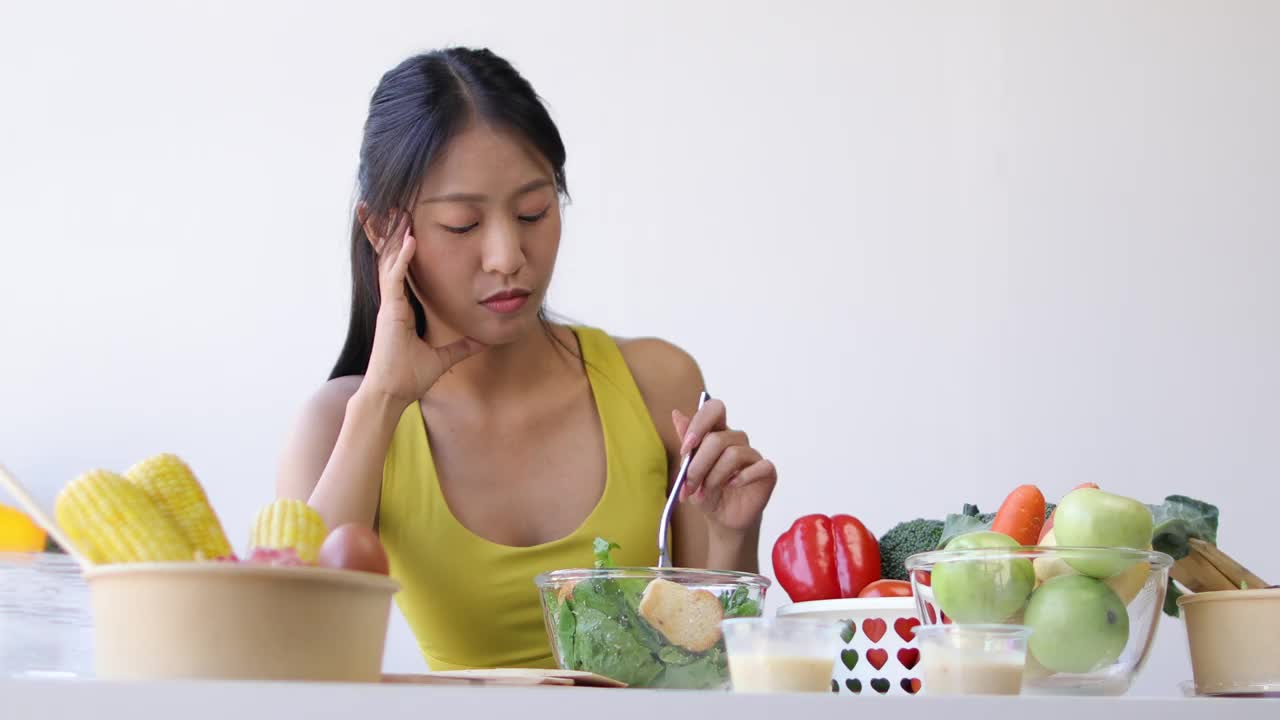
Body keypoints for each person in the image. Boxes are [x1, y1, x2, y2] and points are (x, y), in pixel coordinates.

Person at [277, 47, 777, 671]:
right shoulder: (339, 424)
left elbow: (711, 670)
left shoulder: (656, 381)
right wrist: (380, 401)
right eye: (462, 224)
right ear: (383, 232)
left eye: (533, 212)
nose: (507, 255)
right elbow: (285, 653)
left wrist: (732, 534)